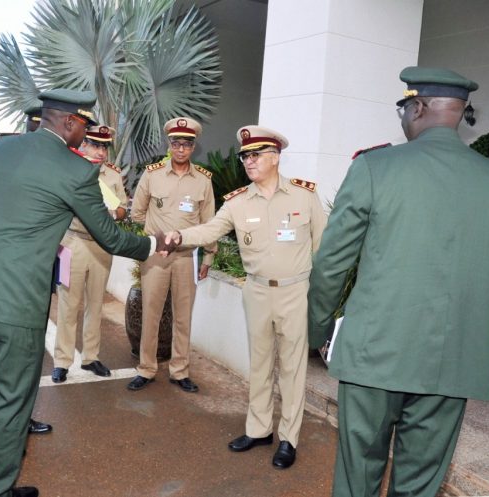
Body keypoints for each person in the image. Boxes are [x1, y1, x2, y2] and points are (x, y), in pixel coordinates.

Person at [308, 66, 489, 497]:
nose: (403, 119)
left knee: (357, 477)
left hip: (374, 356)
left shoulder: (375, 168)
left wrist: (316, 328)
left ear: (419, 106)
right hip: (451, 363)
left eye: (403, 108)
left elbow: (332, 265)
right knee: (420, 484)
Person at [0, 89, 170, 497]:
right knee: (12, 399)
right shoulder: (74, 171)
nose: (85, 135)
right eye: (84, 127)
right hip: (16, 300)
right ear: (70, 123)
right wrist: (153, 245)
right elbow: (108, 236)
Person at [165, 126, 327, 469]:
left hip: (295, 291)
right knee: (260, 364)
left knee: (293, 370)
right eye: (244, 156)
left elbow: (322, 248)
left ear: (275, 157)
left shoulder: (304, 196)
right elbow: (210, 229)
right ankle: (258, 429)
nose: (248, 161)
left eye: (255, 155)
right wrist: (179, 235)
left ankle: (288, 439)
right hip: (255, 291)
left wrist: (322, 298)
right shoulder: (238, 201)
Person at [126, 117, 216, 393]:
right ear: (169, 145)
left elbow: (210, 222)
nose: (180, 149)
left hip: (186, 258)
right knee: (150, 313)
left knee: (182, 316)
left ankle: (180, 371)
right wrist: (155, 237)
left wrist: (209, 257)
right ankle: (146, 368)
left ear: (193, 147)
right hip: (156, 256)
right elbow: (137, 212)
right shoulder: (152, 175)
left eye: (187, 144)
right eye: (176, 143)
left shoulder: (203, 181)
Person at [52, 124, 127, 383]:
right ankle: (62, 361)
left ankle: (91, 357)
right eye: (94, 144)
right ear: (82, 144)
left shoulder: (113, 176)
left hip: (101, 246)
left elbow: (123, 209)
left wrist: (113, 212)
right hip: (72, 243)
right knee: (68, 305)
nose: (100, 151)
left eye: (104, 146)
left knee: (95, 305)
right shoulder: (69, 171)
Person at [18, 104, 53, 436]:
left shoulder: (59, 166)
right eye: (35, 128)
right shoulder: (11, 162)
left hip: (42, 275)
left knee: (33, 352)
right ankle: (13, 420)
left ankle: (23, 416)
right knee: (16, 356)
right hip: (15, 279)